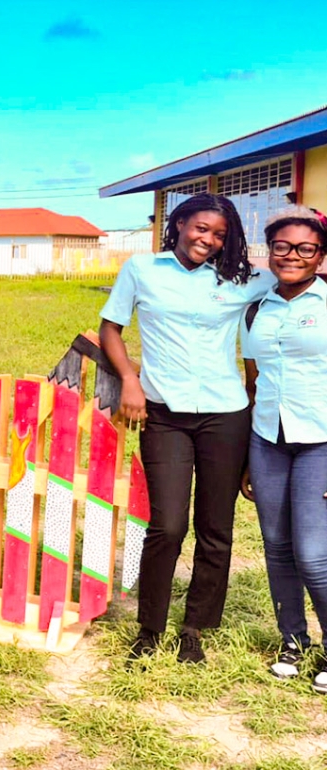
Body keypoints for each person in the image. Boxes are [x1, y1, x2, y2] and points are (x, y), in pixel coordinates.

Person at [100, 193, 274, 664]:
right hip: (164, 414)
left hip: (226, 415)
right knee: (168, 525)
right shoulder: (141, 269)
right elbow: (110, 328)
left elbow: (295, 272)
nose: (208, 240)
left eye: (219, 234)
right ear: (178, 223)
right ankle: (150, 628)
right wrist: (129, 380)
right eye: (200, 228)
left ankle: (195, 628)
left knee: (215, 527)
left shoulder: (241, 278)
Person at [240, 206, 327, 691]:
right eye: (282, 246)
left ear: (320, 256)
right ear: (270, 251)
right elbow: (253, 381)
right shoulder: (257, 309)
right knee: (277, 548)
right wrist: (245, 459)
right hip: (268, 439)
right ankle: (293, 640)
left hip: (321, 442)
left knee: (313, 554)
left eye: (305, 248)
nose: (292, 255)